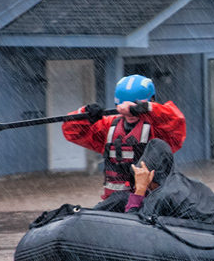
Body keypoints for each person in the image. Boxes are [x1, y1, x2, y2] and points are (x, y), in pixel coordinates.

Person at [63, 74, 187, 206]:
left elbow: (176, 121)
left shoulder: (158, 128)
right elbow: (71, 131)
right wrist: (84, 115)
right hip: (115, 205)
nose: (129, 114)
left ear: (151, 101)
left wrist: (147, 108)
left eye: (134, 108)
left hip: (150, 204)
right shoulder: (108, 126)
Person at [125, 139, 214, 224]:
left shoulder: (162, 196)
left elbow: (132, 225)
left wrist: (140, 190)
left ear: (151, 177)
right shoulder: (191, 183)